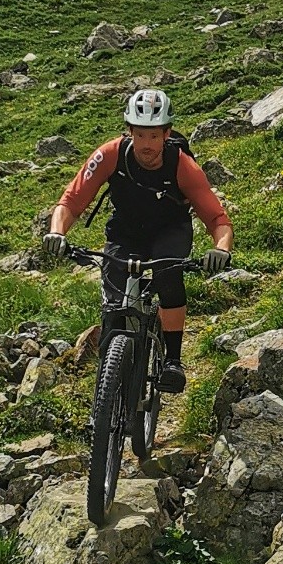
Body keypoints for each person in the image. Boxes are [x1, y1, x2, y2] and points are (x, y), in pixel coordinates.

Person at [42, 89, 234, 394]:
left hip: (170, 229)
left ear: (167, 134)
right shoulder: (109, 154)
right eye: (141, 135)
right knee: (113, 306)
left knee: (168, 275)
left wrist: (220, 249)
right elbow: (72, 200)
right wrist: (57, 232)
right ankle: (106, 390)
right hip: (126, 231)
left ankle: (172, 360)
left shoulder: (183, 165)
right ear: (130, 132)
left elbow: (217, 218)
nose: (147, 145)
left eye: (155, 136)